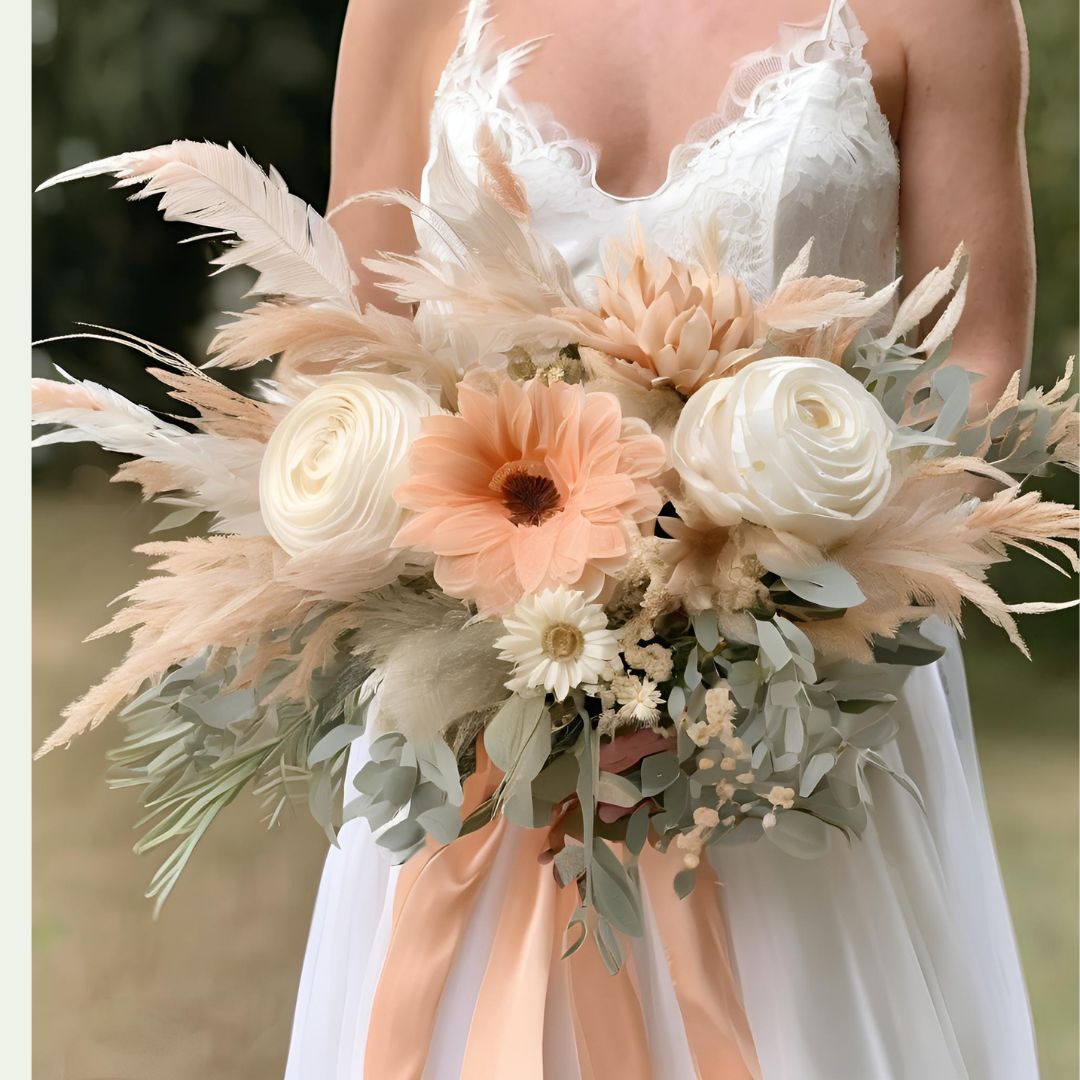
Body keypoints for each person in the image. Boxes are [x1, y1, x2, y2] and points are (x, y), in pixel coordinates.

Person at [286, 1, 1040, 1076]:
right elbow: (345, 346)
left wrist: (739, 656)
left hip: (801, 720)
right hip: (476, 718)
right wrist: (503, 644)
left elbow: (977, 355)